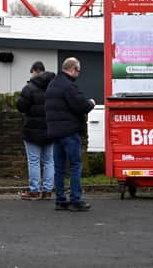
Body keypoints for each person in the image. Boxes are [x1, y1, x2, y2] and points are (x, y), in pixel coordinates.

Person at [44, 57, 95, 212]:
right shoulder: (69, 86)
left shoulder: (52, 85)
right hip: (69, 132)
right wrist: (91, 103)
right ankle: (75, 199)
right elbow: (81, 106)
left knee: (59, 168)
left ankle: (60, 200)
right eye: (78, 71)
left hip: (55, 132)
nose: (78, 74)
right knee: (75, 166)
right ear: (72, 69)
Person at [16, 61, 55, 200]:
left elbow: (21, 107)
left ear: (33, 71)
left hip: (32, 131)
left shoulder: (29, 88)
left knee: (34, 161)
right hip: (50, 129)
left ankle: (34, 191)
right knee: (49, 161)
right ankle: (48, 190)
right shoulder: (53, 87)